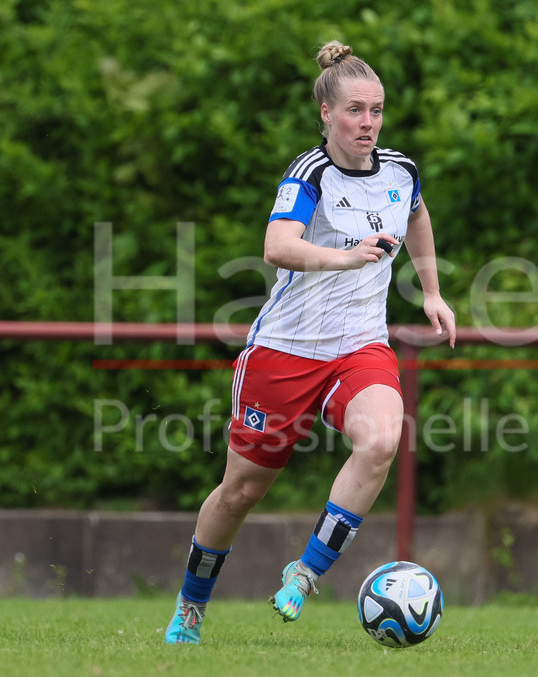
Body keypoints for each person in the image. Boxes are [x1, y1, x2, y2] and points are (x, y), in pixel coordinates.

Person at [165, 40, 456, 644]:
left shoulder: (400, 171)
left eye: (376, 110)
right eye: (355, 110)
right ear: (327, 113)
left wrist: (431, 291)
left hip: (359, 347)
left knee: (381, 439)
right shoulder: (311, 174)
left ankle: (305, 573)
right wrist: (346, 258)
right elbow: (277, 246)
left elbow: (419, 213)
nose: (368, 123)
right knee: (241, 491)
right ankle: (190, 608)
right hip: (284, 351)